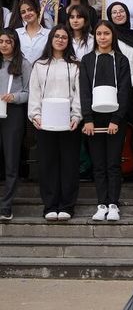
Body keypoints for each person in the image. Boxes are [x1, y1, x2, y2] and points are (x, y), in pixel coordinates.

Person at [79, 20, 131, 222]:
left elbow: (126, 91)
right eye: (99, 33)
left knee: (113, 163)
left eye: (106, 33)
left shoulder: (121, 60)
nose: (102, 37)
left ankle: (113, 204)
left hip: (115, 120)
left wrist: (117, 119)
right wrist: (88, 119)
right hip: (94, 120)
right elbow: (84, 90)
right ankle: (101, 204)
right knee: (98, 164)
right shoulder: (87, 60)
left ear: (113, 36)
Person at [28, 25, 81, 221]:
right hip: (45, 122)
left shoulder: (75, 65)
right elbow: (34, 92)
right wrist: (35, 115)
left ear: (69, 42)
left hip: (69, 122)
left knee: (69, 163)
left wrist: (77, 116)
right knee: (48, 163)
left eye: (64, 37)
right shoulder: (40, 65)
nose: (60, 40)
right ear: (51, 39)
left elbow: (79, 93)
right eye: (57, 36)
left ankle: (67, 205)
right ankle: (50, 205)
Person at [0, 29, 32, 221]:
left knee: (11, 161)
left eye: (8, 42)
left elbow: (29, 92)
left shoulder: (24, 64)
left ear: (15, 44)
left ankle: (6, 205)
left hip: (13, 113)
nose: (4, 45)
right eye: (1, 41)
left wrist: (14, 97)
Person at [106, 1, 133, 78]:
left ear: (127, 14)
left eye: (121, 11)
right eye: (114, 12)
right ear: (110, 17)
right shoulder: (108, 38)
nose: (118, 14)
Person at [15, 0, 50, 64]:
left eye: (30, 10)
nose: (27, 13)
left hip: (41, 72)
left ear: (37, 10)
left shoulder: (49, 34)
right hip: (20, 72)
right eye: (23, 12)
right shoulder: (16, 33)